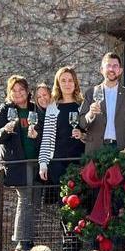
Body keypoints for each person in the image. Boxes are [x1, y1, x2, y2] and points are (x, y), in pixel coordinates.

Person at [0, 75, 40, 251]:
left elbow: (43, 133)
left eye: (21, 90)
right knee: (25, 199)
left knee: (34, 200)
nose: (18, 93)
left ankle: (28, 240)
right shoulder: (5, 109)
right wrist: (6, 130)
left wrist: (36, 134)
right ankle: (23, 242)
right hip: (17, 163)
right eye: (14, 90)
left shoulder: (34, 109)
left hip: (35, 161)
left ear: (27, 92)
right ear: (9, 93)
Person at [39, 67, 87, 231]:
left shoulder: (82, 106)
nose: (67, 84)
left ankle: (75, 246)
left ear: (75, 83)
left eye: (70, 80)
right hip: (58, 164)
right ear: (58, 84)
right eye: (63, 80)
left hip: (79, 162)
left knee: (80, 204)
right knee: (64, 206)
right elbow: (46, 138)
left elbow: (91, 136)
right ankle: (68, 246)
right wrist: (43, 163)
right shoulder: (53, 107)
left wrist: (81, 135)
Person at [81, 52, 125, 154]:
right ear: (102, 70)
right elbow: (82, 123)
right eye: (108, 66)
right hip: (95, 148)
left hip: (119, 148)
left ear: (120, 70)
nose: (111, 69)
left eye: (115, 66)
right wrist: (90, 114)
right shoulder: (91, 93)